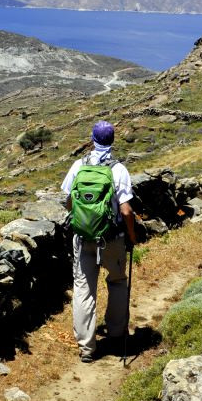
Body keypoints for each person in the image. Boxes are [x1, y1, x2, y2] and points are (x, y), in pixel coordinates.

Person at [61, 120, 137, 362]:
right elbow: (126, 211)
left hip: (83, 238)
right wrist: (132, 237)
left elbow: (69, 201)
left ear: (92, 139)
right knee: (117, 282)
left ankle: (86, 347)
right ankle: (115, 334)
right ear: (112, 140)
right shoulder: (118, 170)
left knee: (84, 290)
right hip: (112, 238)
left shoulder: (78, 165)